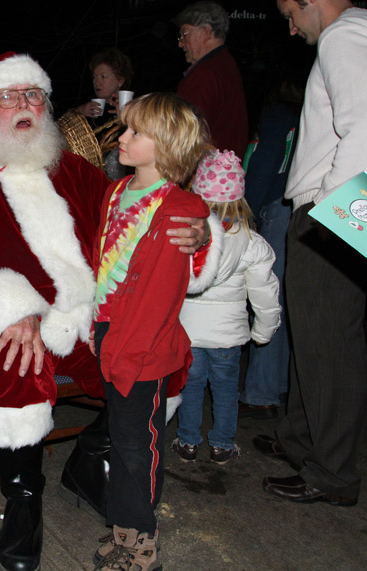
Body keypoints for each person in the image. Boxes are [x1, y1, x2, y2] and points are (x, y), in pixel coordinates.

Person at [0, 52, 212, 571]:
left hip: (83, 315)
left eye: (33, 94)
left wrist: (199, 233)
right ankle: (23, 500)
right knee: (19, 366)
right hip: (2, 323)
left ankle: (88, 461)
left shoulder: (75, 172)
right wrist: (16, 308)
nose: (25, 105)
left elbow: (139, 221)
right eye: (8, 96)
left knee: (162, 366)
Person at [89, 92, 216, 571]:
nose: (122, 138)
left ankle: (142, 541)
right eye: (125, 128)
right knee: (124, 440)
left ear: (166, 145)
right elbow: (106, 264)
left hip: (142, 348)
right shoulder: (117, 192)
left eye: (135, 132)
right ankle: (124, 529)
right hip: (111, 334)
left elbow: (164, 294)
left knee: (137, 446)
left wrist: (128, 351)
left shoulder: (181, 209)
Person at [257, 0, 367, 508]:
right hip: (342, 207)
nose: (290, 26)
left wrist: (330, 212)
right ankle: (301, 439)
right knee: (315, 335)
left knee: (330, 342)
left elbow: (363, 126)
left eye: (289, 12)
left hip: (335, 209)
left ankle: (335, 471)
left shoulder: (344, 35)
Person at [173, 150, 281, 466]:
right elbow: (265, 294)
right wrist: (263, 331)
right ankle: (221, 444)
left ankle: (188, 441)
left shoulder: (185, 237)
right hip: (228, 338)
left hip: (188, 333)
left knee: (190, 389)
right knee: (225, 393)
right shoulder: (252, 242)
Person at [239, 78, 302, 419]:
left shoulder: (278, 115)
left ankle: (261, 392)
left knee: (268, 297)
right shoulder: (309, 115)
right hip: (307, 210)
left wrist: (246, 210)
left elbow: (263, 164)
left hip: (278, 208)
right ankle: (279, 386)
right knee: (290, 302)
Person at [175, 1, 249, 159]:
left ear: (206, 32)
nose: (181, 43)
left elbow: (182, 134)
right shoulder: (225, 64)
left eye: (185, 34)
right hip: (223, 171)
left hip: (207, 174)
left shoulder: (206, 74)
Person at [61, 48, 134, 179]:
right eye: (95, 77)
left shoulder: (134, 107)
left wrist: (125, 117)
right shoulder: (89, 107)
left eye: (103, 76)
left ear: (120, 80)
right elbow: (62, 131)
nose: (97, 82)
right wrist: (80, 112)